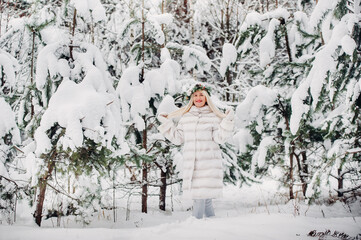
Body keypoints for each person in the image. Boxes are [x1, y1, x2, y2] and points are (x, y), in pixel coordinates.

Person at [157, 83, 234, 219]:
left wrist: (227, 121)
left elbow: (219, 138)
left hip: (209, 164)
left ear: (206, 98)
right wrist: (165, 122)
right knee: (204, 199)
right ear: (192, 98)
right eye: (195, 95)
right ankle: (212, 226)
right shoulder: (186, 117)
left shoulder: (213, 116)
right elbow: (178, 138)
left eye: (201, 95)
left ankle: (195, 226)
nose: (198, 98)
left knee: (201, 198)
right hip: (192, 165)